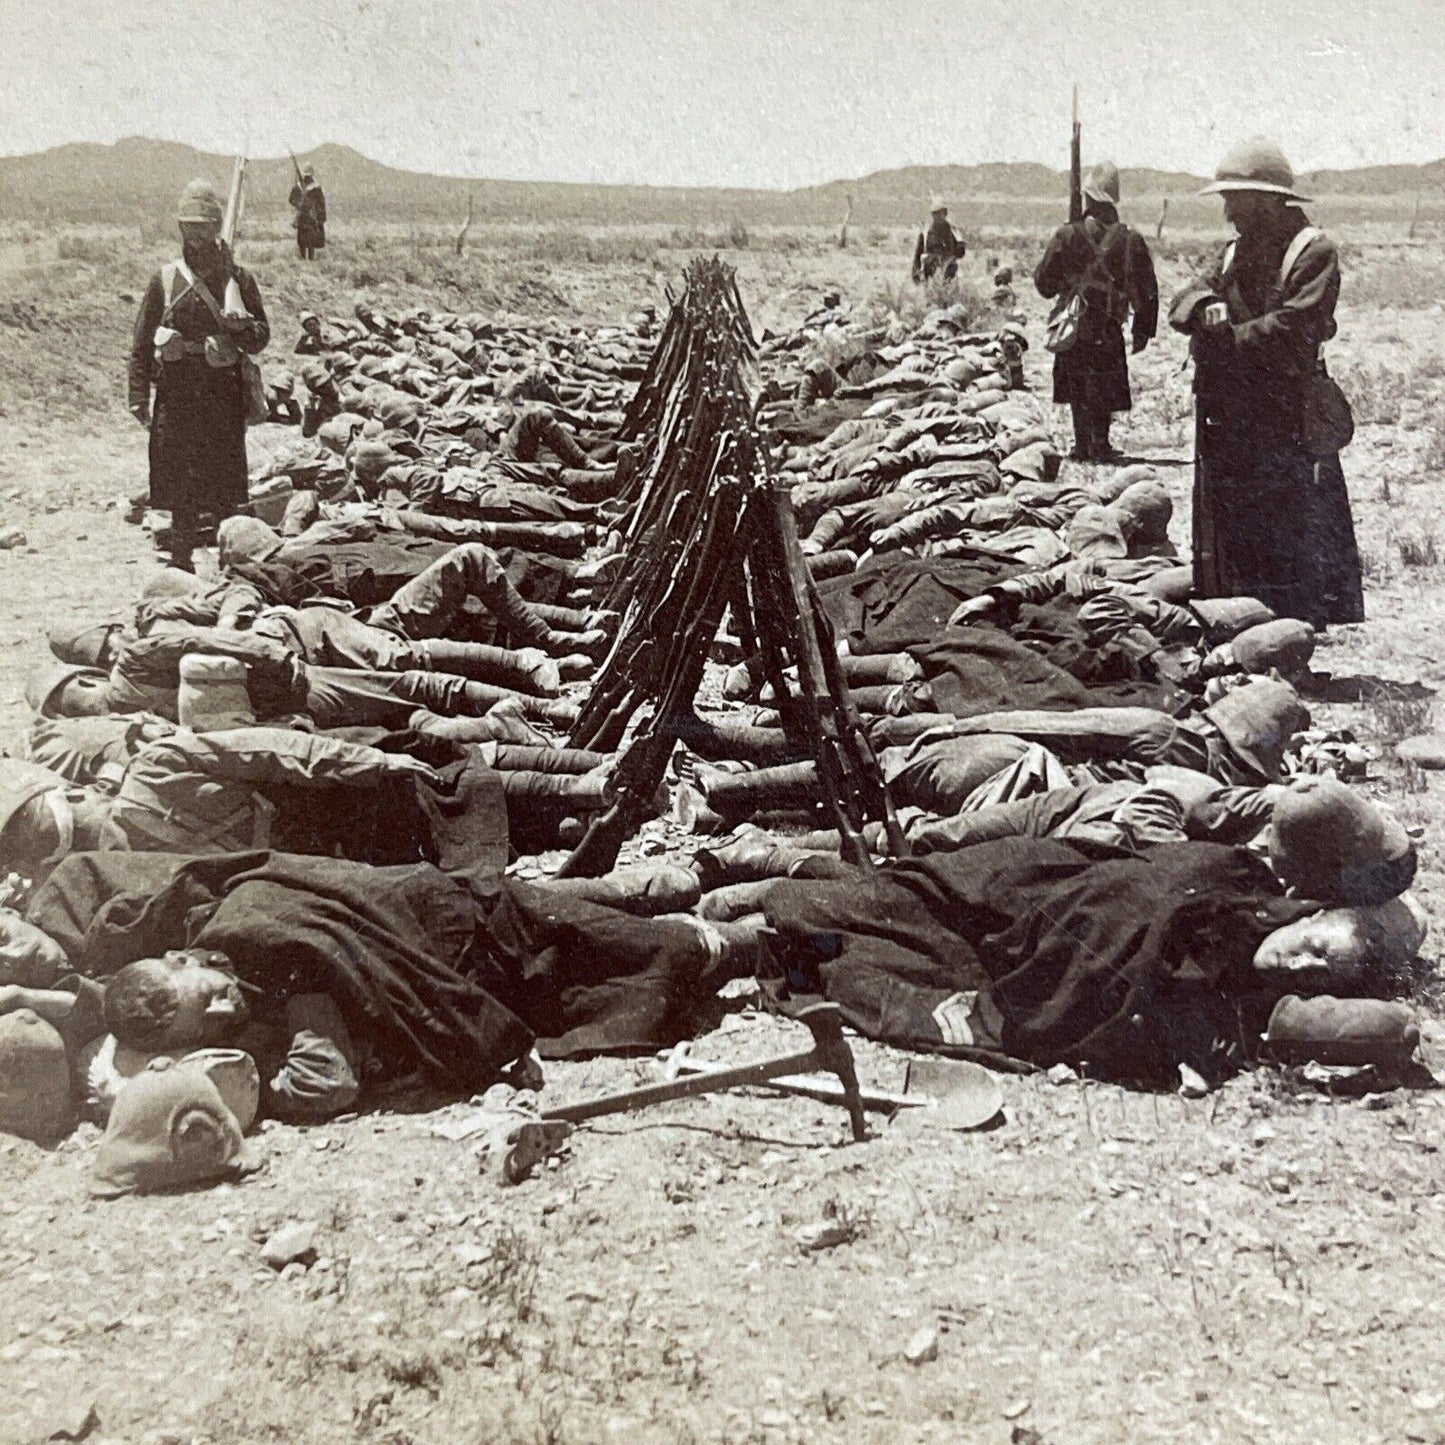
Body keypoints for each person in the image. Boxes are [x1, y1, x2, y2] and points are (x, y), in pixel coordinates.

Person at [1170, 140, 1365, 627]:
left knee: (1290, 523)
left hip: (1285, 414)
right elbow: (1189, 293)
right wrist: (1199, 308)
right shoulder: (1235, 249)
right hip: (1231, 411)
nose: (1227, 209)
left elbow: (1293, 328)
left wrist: (1224, 338)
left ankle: (1291, 635)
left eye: (1235, 198)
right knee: (1233, 522)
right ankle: (1240, 628)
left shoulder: (1313, 251)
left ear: (1269, 200)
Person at [128, 180, 271, 572]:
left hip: (221, 391)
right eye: (189, 226)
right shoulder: (165, 279)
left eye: (204, 226)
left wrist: (237, 329)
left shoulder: (237, 279)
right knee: (177, 471)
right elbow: (141, 341)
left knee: (223, 475)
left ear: (217, 228)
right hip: (176, 390)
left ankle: (231, 560)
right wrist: (137, 395)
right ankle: (181, 556)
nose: (197, 234)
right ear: (180, 229)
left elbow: (262, 337)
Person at [1034, 162, 1158, 462]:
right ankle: (1100, 443)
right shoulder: (1131, 238)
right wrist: (1143, 329)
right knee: (1104, 381)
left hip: (1076, 325)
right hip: (1110, 324)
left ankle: (1083, 444)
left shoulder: (1067, 234)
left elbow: (1043, 284)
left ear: (1087, 199)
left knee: (1077, 382)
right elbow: (1148, 290)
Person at [912, 196, 965, 283]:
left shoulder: (953, 232)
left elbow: (961, 253)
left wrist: (948, 259)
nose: (939, 216)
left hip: (948, 275)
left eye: (941, 213)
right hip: (929, 275)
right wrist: (916, 274)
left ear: (945, 213)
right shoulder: (925, 233)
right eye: (936, 214)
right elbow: (917, 256)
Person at [289, 165, 327, 260]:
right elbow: (321, 204)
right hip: (310, 216)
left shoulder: (300, 186)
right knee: (309, 241)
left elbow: (292, 200)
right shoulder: (315, 187)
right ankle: (309, 260)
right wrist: (320, 218)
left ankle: (305, 260)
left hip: (305, 216)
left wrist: (299, 205)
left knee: (304, 241)